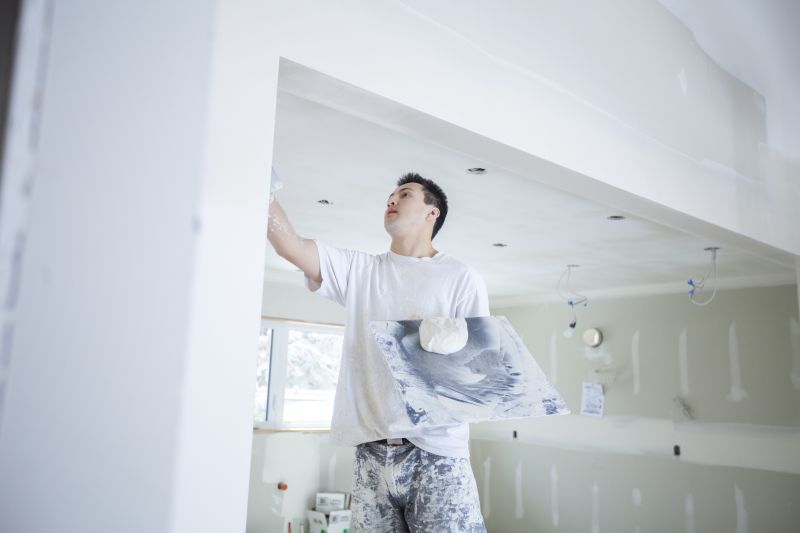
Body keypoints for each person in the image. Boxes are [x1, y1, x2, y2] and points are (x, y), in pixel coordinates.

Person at [267, 170, 488, 532]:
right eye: (391, 195)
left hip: (436, 452)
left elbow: (478, 366)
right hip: (371, 450)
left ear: (433, 213)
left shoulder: (460, 277)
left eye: (405, 194)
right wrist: (265, 188)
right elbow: (289, 245)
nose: (392, 199)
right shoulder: (361, 271)